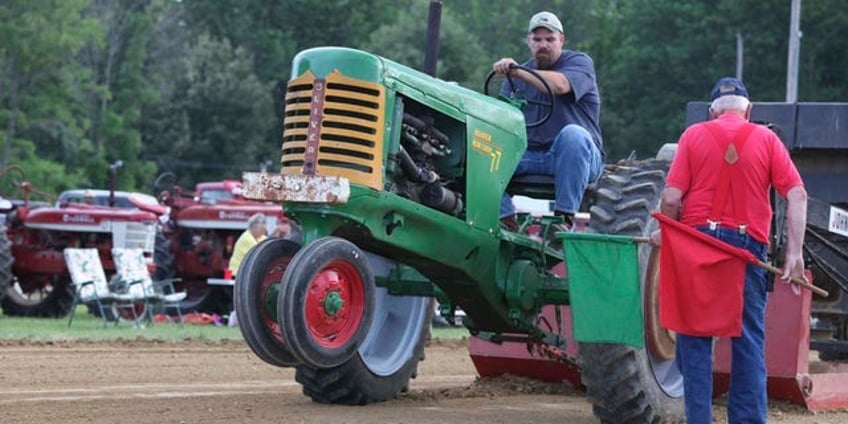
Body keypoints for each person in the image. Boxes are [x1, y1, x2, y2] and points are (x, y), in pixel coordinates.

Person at [651, 77, 808, 423]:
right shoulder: (767, 138)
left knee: (693, 338)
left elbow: (673, 197)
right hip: (747, 250)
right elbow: (797, 194)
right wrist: (793, 254)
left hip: (697, 246)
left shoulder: (692, 136)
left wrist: (665, 233)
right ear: (748, 110)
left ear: (712, 111)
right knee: (748, 338)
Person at [493, 11, 604, 232]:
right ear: (528, 41)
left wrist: (518, 72)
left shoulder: (579, 63)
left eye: (550, 39)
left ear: (561, 40)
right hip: (528, 156)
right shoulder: (515, 78)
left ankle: (563, 219)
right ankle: (503, 220)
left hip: (573, 157)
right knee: (482, 148)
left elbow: (561, 85)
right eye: (537, 39)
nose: (543, 44)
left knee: (574, 134)